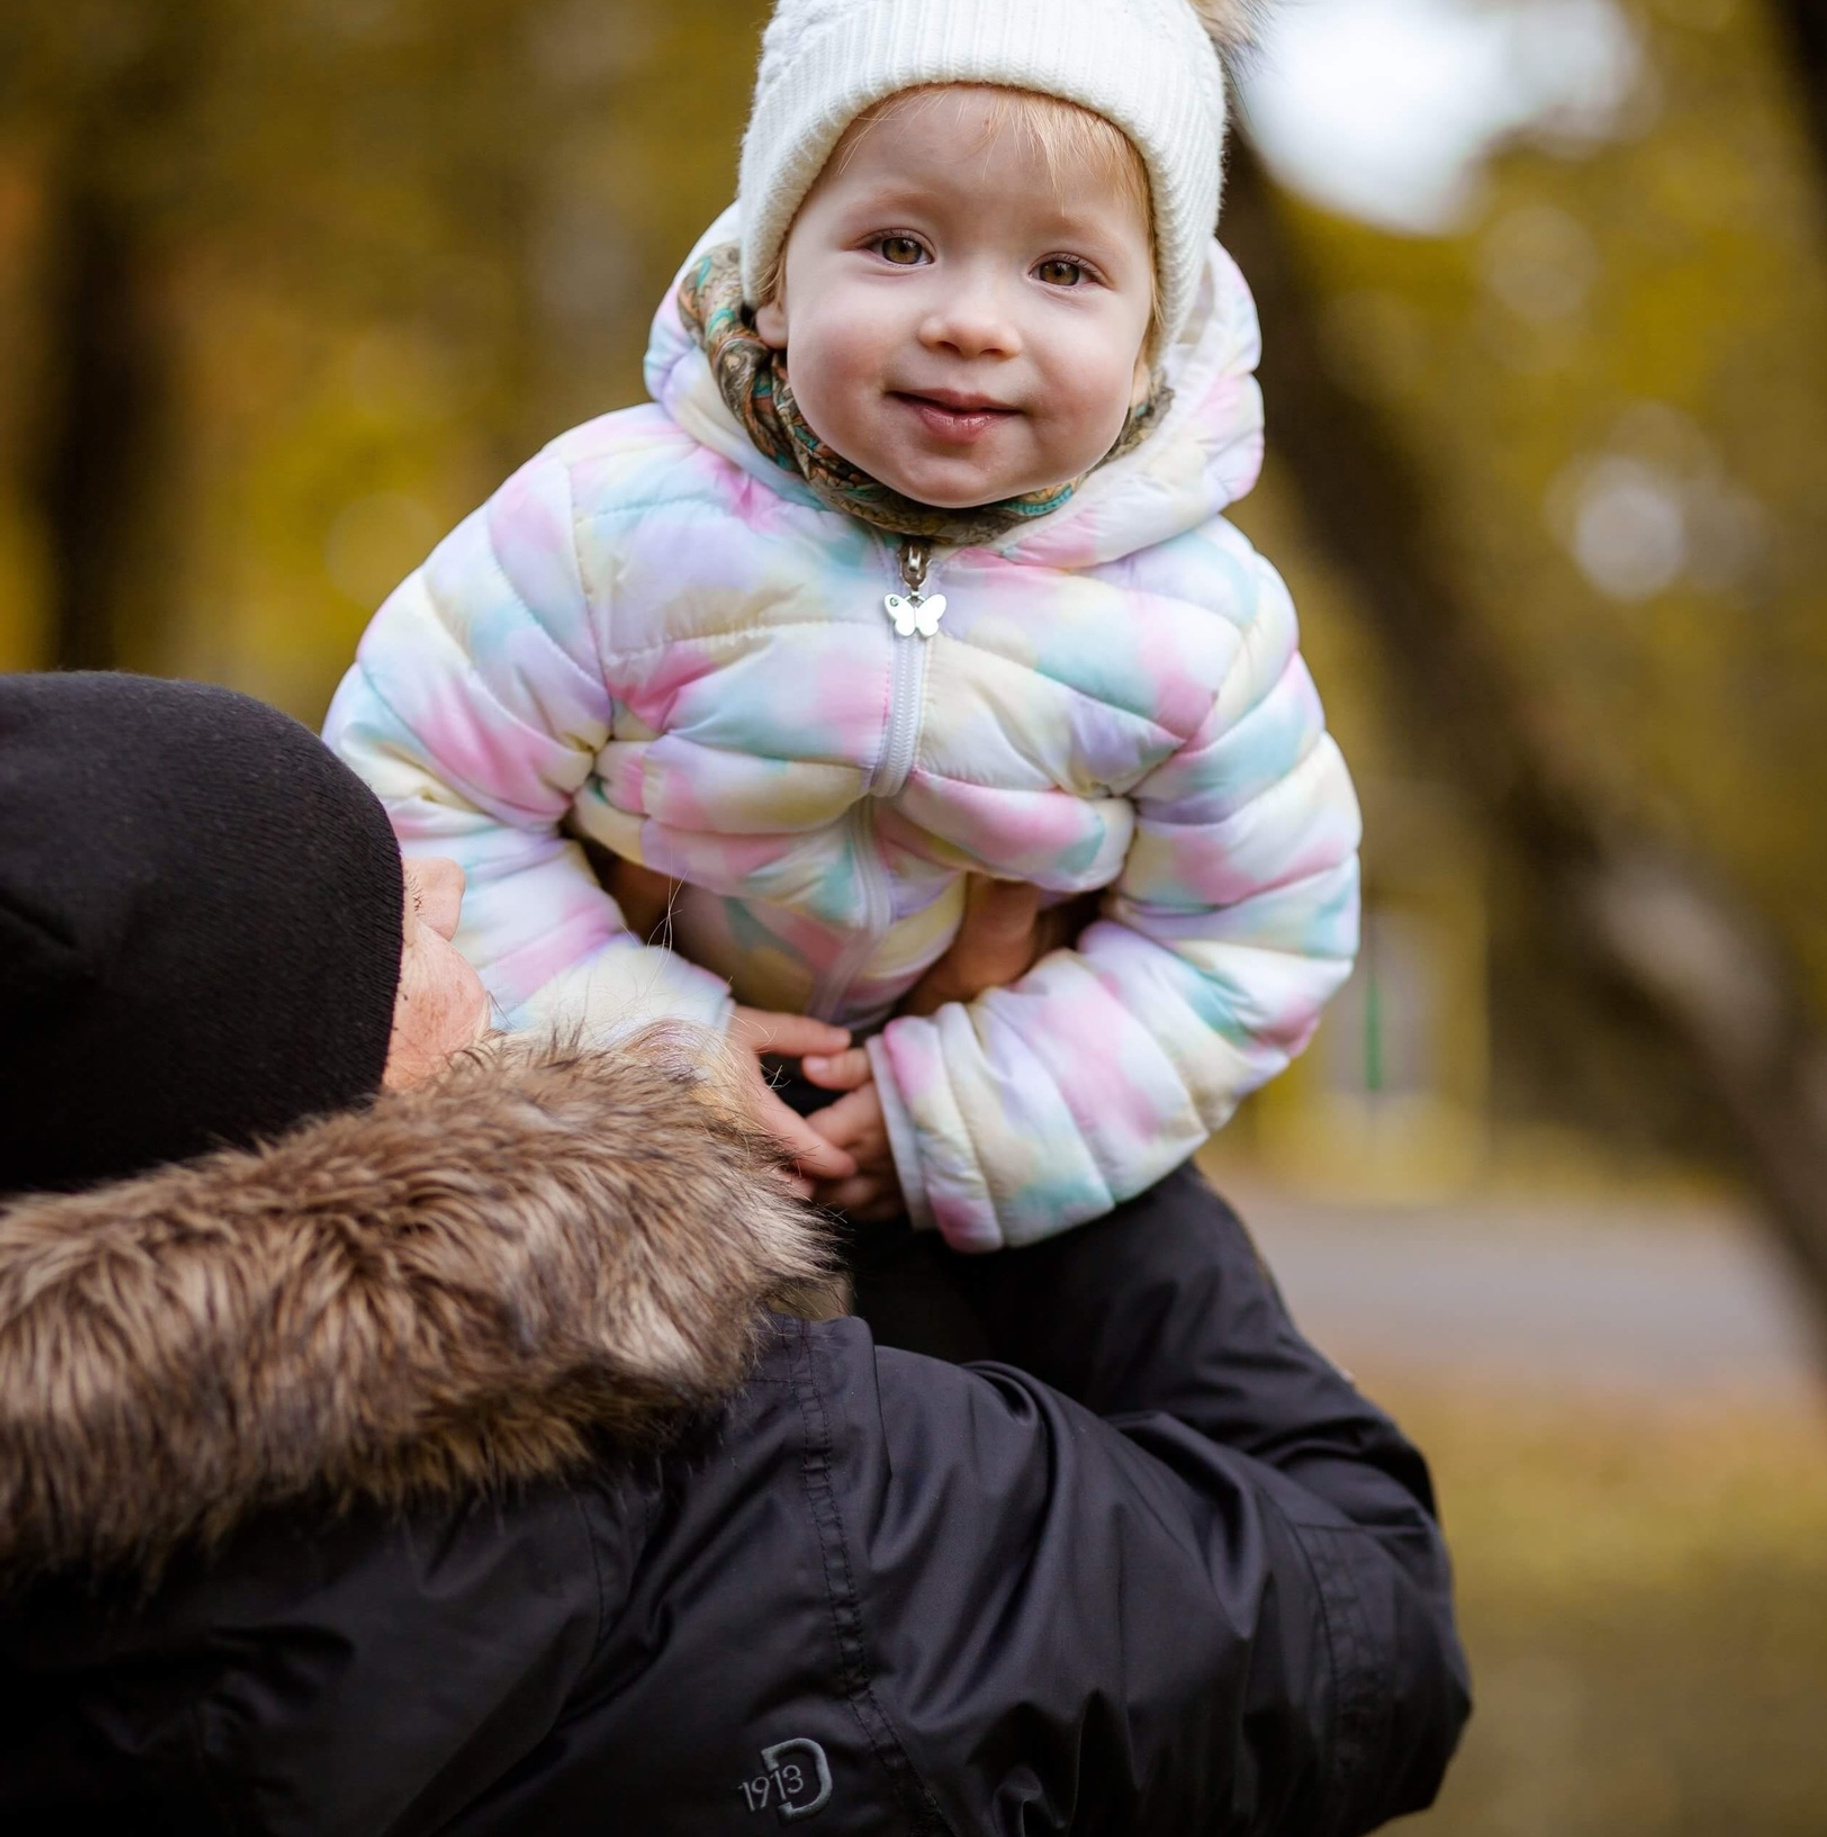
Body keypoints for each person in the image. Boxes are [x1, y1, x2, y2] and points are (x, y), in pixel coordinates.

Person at [0, 671, 1468, 1837]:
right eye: (380, 918)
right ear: (308, 1112)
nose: (443, 879)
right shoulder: (812, 1512)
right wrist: (1029, 1115)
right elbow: (1369, 1636)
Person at [323, 0, 1363, 1268]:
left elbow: (1255, 926)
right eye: (899, 244)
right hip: (617, 1117)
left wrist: (980, 1112)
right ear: (771, 282)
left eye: (1065, 271)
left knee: (1192, 1399)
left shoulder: (1201, 622)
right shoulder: (611, 527)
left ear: (1155, 346)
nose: (975, 321)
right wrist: (640, 1038)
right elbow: (416, 790)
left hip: (996, 1140)